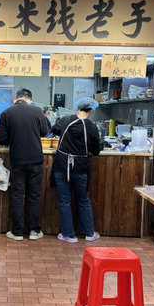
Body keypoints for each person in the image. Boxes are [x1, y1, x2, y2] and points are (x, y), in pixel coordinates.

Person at [0, 88, 51, 241]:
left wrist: (13, 136)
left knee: (18, 195)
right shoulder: (37, 111)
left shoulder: (7, 113)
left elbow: (1, 138)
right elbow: (45, 132)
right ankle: (34, 231)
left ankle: (17, 232)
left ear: (16, 98)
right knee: (34, 195)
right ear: (29, 99)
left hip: (18, 160)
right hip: (36, 159)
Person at [51, 97, 103, 243]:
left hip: (62, 166)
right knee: (83, 200)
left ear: (78, 108)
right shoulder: (92, 127)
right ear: (91, 110)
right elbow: (96, 151)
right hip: (81, 167)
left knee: (65, 200)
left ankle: (68, 235)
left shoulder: (66, 120)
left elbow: (54, 130)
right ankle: (89, 234)